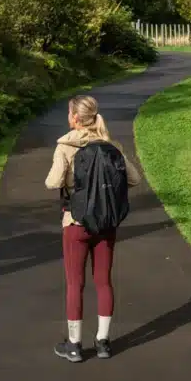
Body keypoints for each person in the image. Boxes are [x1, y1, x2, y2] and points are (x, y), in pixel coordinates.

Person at [45, 95, 141, 362]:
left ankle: (74, 345)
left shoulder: (65, 146)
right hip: (106, 224)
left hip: (76, 224)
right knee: (103, 281)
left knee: (75, 283)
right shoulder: (111, 145)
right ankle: (103, 342)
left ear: (75, 118)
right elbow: (134, 178)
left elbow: (52, 182)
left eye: (68, 113)